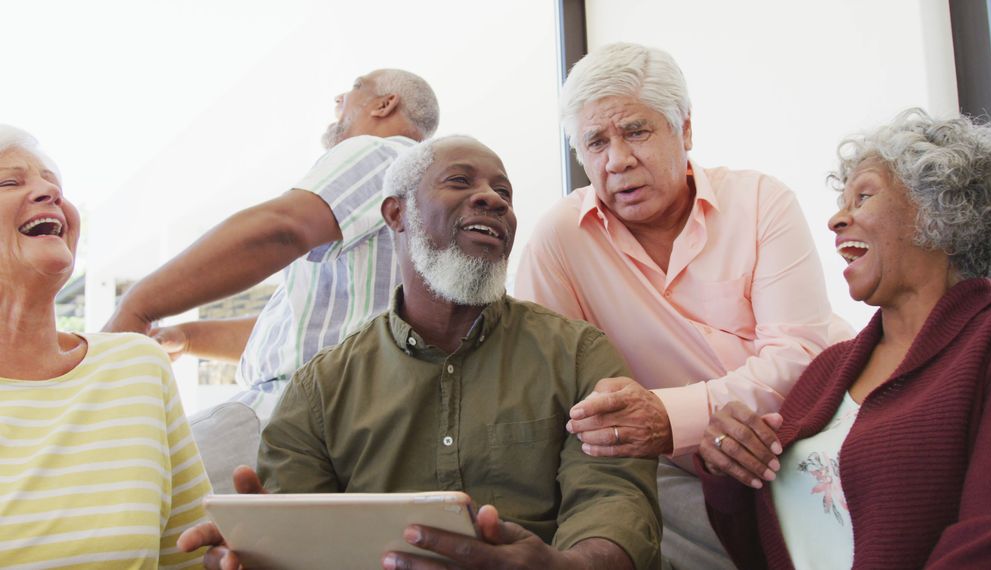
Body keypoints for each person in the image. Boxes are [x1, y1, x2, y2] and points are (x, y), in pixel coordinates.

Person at [177, 135, 662, 570]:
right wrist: (264, 551)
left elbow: (615, 501)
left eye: (505, 193)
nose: (492, 199)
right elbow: (294, 541)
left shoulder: (578, 355)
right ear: (395, 214)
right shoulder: (318, 390)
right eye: (459, 181)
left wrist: (565, 566)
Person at [697, 109, 991, 569]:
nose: (837, 219)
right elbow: (758, 551)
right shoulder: (827, 371)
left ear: (940, 208)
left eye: (863, 196)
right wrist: (728, 470)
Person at [514, 42, 848, 568]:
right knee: (625, 502)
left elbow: (801, 354)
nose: (617, 160)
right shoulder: (560, 239)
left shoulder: (761, 200)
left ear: (685, 129)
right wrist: (687, 434)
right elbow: (546, 389)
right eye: (595, 142)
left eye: (636, 131)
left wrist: (680, 418)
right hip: (679, 468)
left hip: (810, 427)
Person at [104, 69, 439, 419]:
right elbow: (302, 335)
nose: (339, 99)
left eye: (355, 89)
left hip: (300, 412)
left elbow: (282, 228)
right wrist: (187, 337)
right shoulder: (410, 196)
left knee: (136, 466)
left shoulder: (379, 152)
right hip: (329, 411)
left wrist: (137, 304)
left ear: (385, 104)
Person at [0, 125, 211, 567]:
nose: (48, 193)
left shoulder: (137, 366)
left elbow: (194, 557)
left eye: (53, 185)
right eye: (9, 181)